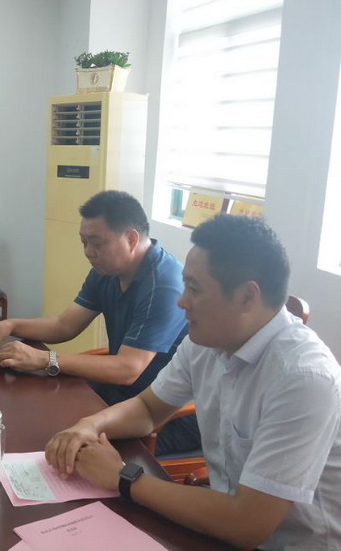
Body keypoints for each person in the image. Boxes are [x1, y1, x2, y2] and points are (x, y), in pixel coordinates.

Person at [45, 215, 341, 551]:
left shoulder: (303, 379)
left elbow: (249, 524)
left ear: (247, 296)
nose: (181, 301)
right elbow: (147, 409)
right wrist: (89, 425)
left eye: (194, 288)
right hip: (219, 521)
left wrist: (123, 477)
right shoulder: (206, 341)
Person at [0, 190, 196, 455]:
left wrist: (46, 359)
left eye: (97, 243)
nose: (89, 252)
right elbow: (64, 325)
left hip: (167, 415)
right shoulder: (106, 271)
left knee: (65, 446)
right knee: (35, 410)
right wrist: (12, 325)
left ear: (131, 239)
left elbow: (128, 369)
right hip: (122, 396)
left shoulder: (164, 284)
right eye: (84, 242)